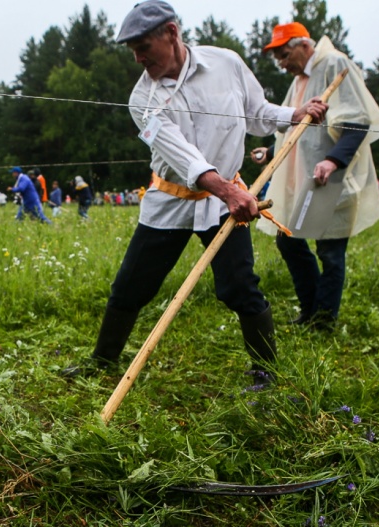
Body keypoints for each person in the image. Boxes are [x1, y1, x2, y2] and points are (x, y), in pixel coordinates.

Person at [62, 1, 327, 380]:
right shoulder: (143, 100)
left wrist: (293, 115)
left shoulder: (226, 63)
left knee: (240, 287)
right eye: (132, 50)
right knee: (130, 287)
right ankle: (103, 362)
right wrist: (228, 191)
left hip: (224, 206)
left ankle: (266, 373)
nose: (137, 58)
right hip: (170, 202)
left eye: (143, 46)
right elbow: (184, 157)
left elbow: (256, 112)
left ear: (171, 33)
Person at [253, 22, 379, 330]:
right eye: (278, 59)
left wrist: (333, 161)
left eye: (285, 55)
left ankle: (324, 320)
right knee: (289, 240)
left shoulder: (335, 64)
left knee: (330, 249)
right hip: (300, 178)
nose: (282, 63)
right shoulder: (300, 80)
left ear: (304, 45)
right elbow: (298, 130)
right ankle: (311, 308)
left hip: (332, 177)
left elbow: (358, 119)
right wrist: (271, 154)